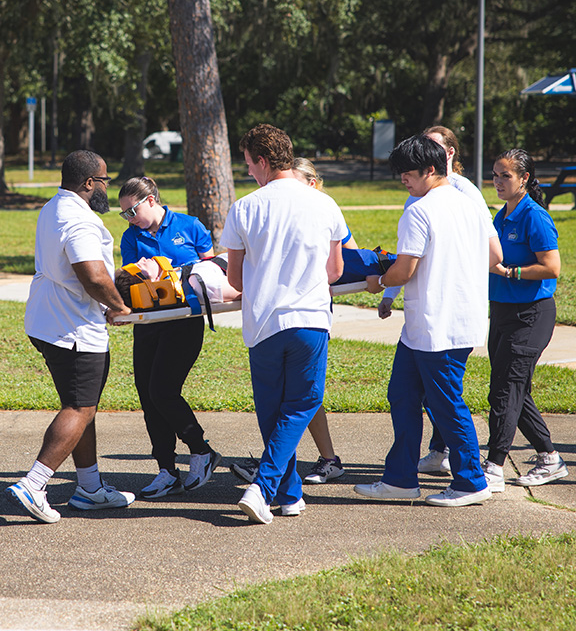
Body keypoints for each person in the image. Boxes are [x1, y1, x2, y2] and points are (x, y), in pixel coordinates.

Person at [354, 134, 502, 507]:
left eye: (407, 173)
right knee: (402, 396)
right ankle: (401, 479)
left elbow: (404, 270)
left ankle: (471, 481)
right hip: (440, 323)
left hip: (438, 324)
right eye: (399, 172)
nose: (403, 179)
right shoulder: (470, 203)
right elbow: (492, 254)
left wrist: (380, 282)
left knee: (446, 404)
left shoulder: (419, 210)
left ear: (430, 170)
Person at [221, 124, 348, 523]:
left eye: (248, 165)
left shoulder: (244, 206)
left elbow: (235, 280)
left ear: (262, 161)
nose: (248, 173)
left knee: (274, 412)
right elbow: (336, 269)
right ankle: (273, 489)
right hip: (309, 317)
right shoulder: (322, 202)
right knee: (302, 404)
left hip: (262, 323)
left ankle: (282, 492)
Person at [5, 151, 135, 524]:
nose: (107, 186)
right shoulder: (80, 220)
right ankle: (35, 483)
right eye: (105, 180)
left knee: (81, 404)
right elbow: (92, 275)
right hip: (74, 327)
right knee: (80, 408)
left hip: (46, 323)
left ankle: (90, 489)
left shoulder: (52, 207)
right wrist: (118, 306)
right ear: (89, 183)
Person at [118, 176, 221, 500]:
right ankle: (166, 470)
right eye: (124, 214)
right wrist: (140, 275)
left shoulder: (190, 226)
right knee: (148, 398)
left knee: (162, 391)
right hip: (148, 323)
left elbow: (212, 270)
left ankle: (201, 450)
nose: (129, 218)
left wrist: (166, 272)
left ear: (151, 201)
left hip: (184, 322)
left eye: (132, 210)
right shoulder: (130, 236)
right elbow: (126, 280)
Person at [482, 149, 568, 491]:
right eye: (495, 175)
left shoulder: (535, 217)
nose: (498, 182)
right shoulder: (501, 215)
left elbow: (552, 267)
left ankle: (493, 465)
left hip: (532, 314)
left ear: (525, 179)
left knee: (504, 389)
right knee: (513, 390)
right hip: (501, 311)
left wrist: (511, 272)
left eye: (506, 176)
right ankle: (550, 458)